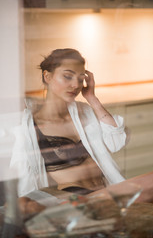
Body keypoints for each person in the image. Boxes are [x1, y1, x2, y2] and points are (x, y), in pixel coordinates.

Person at [10, 48, 127, 198]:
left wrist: (92, 98)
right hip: (78, 199)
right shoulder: (29, 126)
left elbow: (115, 142)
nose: (76, 85)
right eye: (67, 76)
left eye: (80, 78)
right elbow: (22, 177)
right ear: (48, 76)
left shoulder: (83, 112)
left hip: (106, 190)